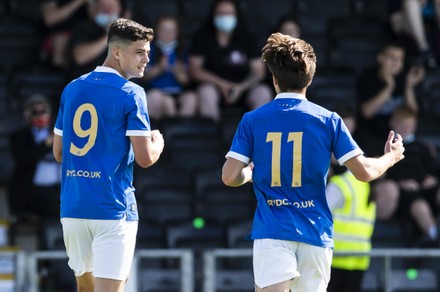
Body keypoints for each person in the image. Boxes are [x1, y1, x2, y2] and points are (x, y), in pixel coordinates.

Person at [222, 32, 405, 292]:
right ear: (310, 78)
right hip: (314, 233)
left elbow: (229, 177)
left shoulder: (252, 120)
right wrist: (392, 156)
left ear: (274, 79)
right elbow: (364, 172)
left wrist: (248, 175)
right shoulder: (328, 120)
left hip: (273, 232)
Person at [52, 18, 164, 292]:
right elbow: (145, 158)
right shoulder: (132, 93)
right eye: (140, 52)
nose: (146, 59)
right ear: (116, 52)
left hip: (74, 208)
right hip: (112, 209)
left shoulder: (73, 87)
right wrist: (157, 142)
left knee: (85, 288)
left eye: (148, 52)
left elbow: (58, 153)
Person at [355, 42, 424, 219]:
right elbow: (367, 112)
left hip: (392, 141)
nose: (396, 64)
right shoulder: (368, 77)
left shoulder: (404, 79)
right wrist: (388, 87)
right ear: (381, 58)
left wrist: (409, 86)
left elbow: (412, 115)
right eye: (392, 58)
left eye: (400, 60)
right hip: (368, 142)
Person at [189, 0, 272, 122]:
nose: (224, 17)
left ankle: (258, 137)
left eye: (228, 13)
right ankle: (211, 137)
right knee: (206, 92)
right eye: (221, 13)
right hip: (214, 87)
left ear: (236, 16)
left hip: (243, 89)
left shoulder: (246, 37)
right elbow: (195, 70)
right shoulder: (202, 37)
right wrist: (221, 84)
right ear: (213, 16)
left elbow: (259, 72)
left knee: (263, 92)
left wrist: (241, 87)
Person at [326, 105, 375, 292]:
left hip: (337, 256)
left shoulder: (341, 183)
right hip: (357, 257)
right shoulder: (362, 181)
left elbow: (319, 212)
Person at [383, 105, 440, 246]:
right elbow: (387, 171)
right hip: (406, 193)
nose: (406, 128)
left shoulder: (423, 147)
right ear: (393, 124)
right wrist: (401, 182)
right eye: (402, 125)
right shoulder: (388, 147)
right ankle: (434, 239)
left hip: (426, 188)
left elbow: (433, 169)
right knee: (420, 206)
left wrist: (432, 178)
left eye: (409, 125)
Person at [9, 94, 61, 221]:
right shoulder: (19, 136)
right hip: (33, 190)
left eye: (43, 111)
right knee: (56, 208)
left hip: (59, 187)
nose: (40, 115)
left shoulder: (58, 134)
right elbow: (24, 160)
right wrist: (45, 145)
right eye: (35, 112)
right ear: (27, 115)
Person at [140, 15, 198, 121]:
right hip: (157, 92)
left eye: (172, 30)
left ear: (177, 33)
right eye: (164, 30)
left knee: (191, 98)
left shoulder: (181, 51)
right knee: (167, 101)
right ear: (156, 32)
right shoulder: (148, 50)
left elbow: (187, 81)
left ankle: (181, 130)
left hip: (178, 92)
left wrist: (180, 75)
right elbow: (143, 77)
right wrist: (159, 69)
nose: (168, 34)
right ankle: (169, 129)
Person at [67, 0, 123, 79]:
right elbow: (80, 57)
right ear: (94, 9)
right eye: (103, 6)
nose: (108, 10)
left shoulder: (128, 32)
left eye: (111, 6)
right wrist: (109, 35)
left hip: (119, 87)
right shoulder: (84, 28)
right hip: (88, 85)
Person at [40, 0, 91, 70]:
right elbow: (49, 19)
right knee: (61, 40)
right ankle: (59, 73)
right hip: (60, 35)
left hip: (86, 34)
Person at [387, 0, 439, 68]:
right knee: (411, 2)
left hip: (434, 35)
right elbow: (396, 27)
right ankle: (424, 50)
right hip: (411, 37)